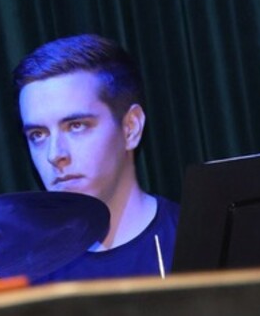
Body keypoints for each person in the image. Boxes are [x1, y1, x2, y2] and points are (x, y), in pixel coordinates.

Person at [13, 34, 178, 281]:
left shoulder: (201, 243)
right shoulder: (21, 274)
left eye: (76, 126)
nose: (54, 155)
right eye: (38, 135)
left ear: (130, 128)